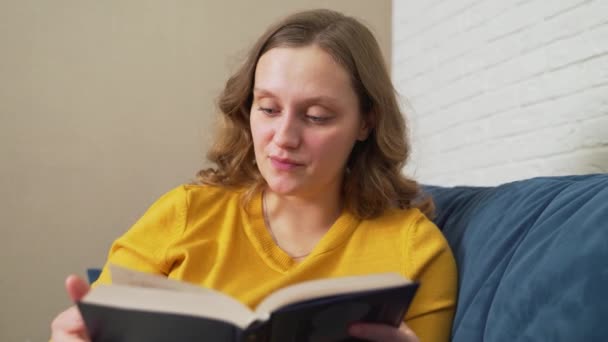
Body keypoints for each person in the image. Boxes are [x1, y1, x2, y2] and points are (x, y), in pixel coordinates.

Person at [51, 9, 457, 342]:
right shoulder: (185, 213)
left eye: (316, 116)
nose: (283, 138)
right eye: (267, 108)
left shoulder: (415, 251)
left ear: (367, 122)